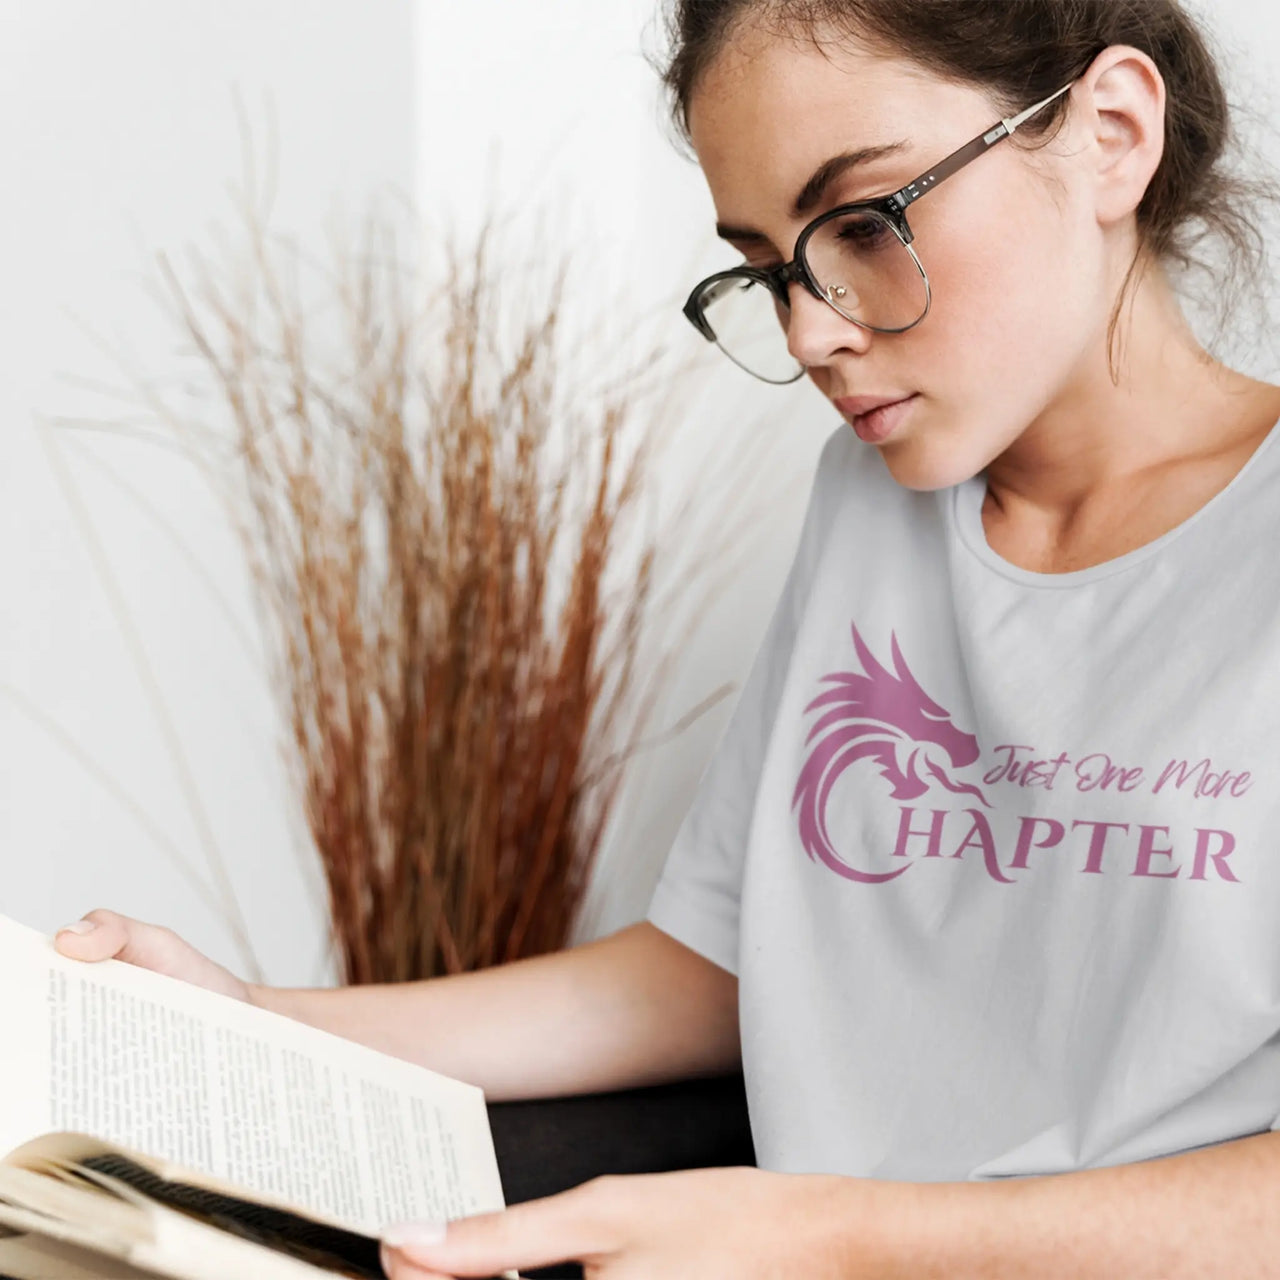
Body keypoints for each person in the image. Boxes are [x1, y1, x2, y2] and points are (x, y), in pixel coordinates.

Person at [55, 0, 1280, 1274]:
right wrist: (255, 1022)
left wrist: (822, 1236)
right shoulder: (874, 503)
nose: (812, 331)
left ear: (1111, 132)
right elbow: (714, 965)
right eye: (766, 269)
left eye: (864, 224)